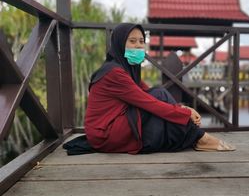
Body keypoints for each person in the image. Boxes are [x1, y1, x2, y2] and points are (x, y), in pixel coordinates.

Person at [84, 23, 235, 154]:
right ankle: (199, 137)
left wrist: (180, 107)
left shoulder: (126, 69)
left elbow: (149, 94)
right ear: (119, 44)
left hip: (115, 124)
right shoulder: (114, 73)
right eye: (132, 41)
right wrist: (185, 112)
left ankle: (196, 137)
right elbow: (149, 102)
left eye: (141, 41)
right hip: (104, 133)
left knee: (159, 93)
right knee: (159, 94)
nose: (138, 45)